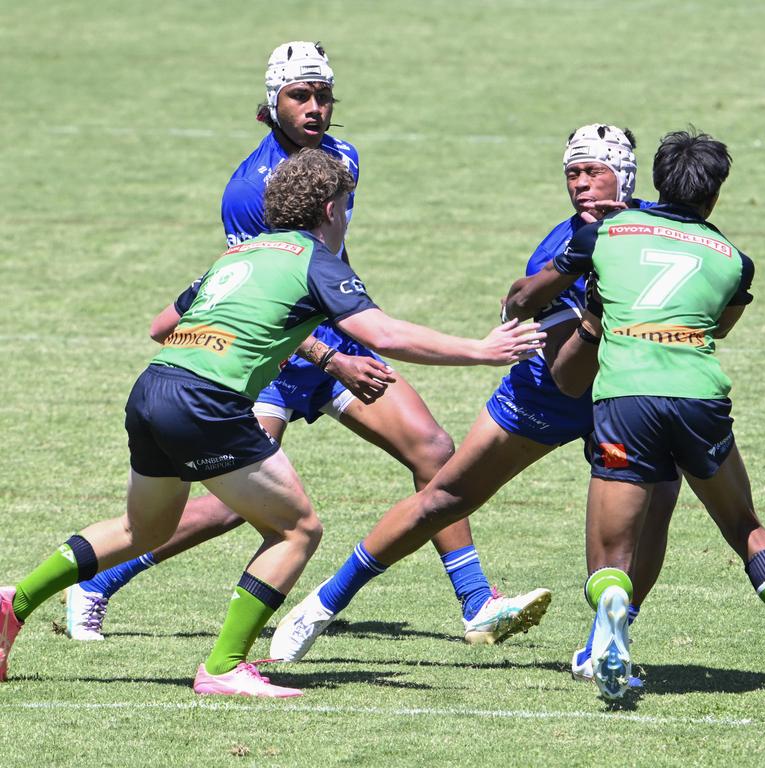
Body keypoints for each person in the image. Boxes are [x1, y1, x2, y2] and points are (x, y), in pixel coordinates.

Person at [0, 148, 545, 697]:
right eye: (347, 205)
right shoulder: (315, 258)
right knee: (298, 530)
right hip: (205, 401)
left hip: (153, 389)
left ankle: (14, 601)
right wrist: (481, 350)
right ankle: (223, 667)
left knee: (142, 531)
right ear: (331, 208)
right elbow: (383, 335)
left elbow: (162, 324)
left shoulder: (240, 254)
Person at [64, 41, 549, 647]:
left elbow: (326, 262)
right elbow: (263, 293)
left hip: (335, 339)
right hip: (275, 358)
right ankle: (99, 583)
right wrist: (333, 358)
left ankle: (477, 603)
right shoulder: (250, 191)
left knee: (432, 447)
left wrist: (345, 332)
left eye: (324, 95)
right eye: (301, 96)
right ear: (272, 104)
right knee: (226, 507)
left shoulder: (342, 157)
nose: (315, 107)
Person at [269, 124, 681, 675]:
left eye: (593, 172)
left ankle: (608, 638)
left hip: (623, 394)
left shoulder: (654, 229)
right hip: (549, 390)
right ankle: (324, 605)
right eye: (572, 174)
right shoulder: (558, 249)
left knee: (655, 505)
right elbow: (560, 367)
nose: (580, 184)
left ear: (624, 176)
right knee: (445, 497)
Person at [502, 129, 765, 702]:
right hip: (699, 399)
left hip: (624, 402)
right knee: (745, 525)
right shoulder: (735, 262)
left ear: (653, 183)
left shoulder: (604, 234)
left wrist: (575, 306)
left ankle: (608, 625)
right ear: (714, 196)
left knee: (611, 556)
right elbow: (716, 327)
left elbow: (525, 303)